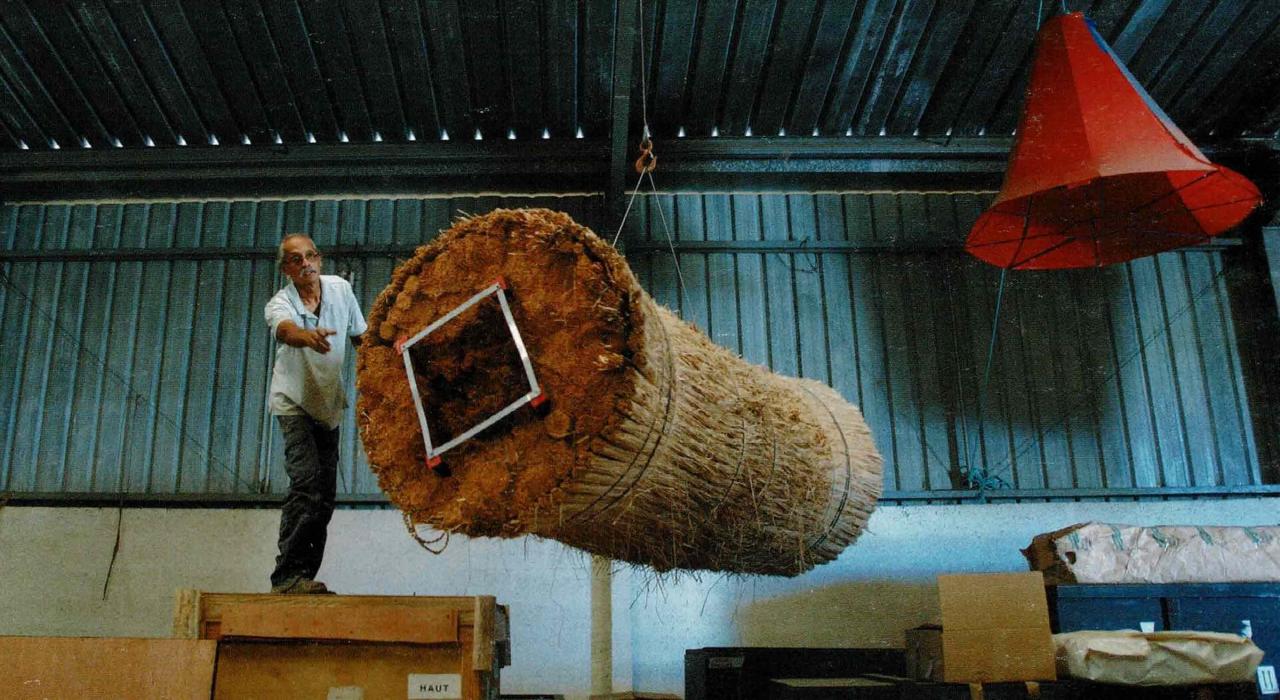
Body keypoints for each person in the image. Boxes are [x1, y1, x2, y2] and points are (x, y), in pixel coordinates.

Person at [264, 234, 367, 594]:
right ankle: (286, 577)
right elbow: (285, 330)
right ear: (286, 269)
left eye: (310, 256)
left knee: (324, 497)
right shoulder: (281, 303)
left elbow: (360, 337)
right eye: (296, 259)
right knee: (306, 483)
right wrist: (306, 336)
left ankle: (303, 577)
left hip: (327, 405)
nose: (305, 263)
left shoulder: (340, 290)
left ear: (319, 260)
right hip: (293, 402)